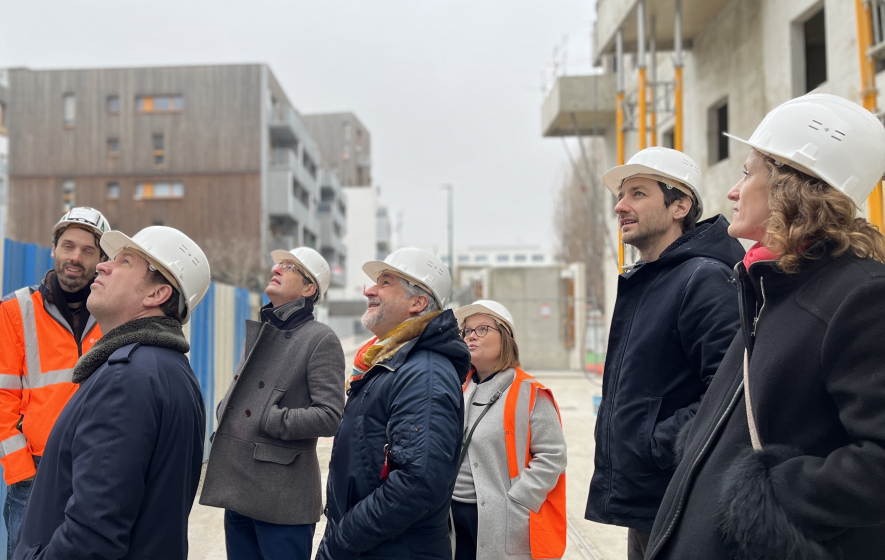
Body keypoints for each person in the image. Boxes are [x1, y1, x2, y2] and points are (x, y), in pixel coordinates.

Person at [646, 94, 885, 559]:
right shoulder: (770, 287)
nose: (734, 191)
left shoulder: (861, 296)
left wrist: (773, 498)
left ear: (790, 186)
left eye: (747, 172)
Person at [12, 225, 210, 560]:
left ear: (156, 294)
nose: (103, 266)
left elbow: (91, 539)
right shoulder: (169, 370)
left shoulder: (127, 378)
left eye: (125, 262)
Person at [585, 147, 744, 559]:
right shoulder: (649, 281)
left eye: (638, 193)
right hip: (652, 500)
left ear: (680, 205)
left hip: (681, 496)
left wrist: (658, 443)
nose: (620, 206)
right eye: (621, 196)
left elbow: (733, 389)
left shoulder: (703, 279)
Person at [317, 247, 471, 560]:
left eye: (385, 282)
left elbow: (418, 483)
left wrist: (342, 540)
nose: (369, 290)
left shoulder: (424, 373)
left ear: (418, 303)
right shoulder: (392, 365)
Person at [0, 207, 110, 559]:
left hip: (97, 468)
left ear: (102, 259)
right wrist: (21, 471)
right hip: (34, 473)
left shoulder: (114, 313)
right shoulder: (16, 309)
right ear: (53, 249)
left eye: (88, 251)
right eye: (68, 246)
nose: (75, 257)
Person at [201, 248, 345, 560]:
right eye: (279, 263)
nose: (277, 268)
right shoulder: (263, 330)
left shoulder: (321, 339)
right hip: (238, 488)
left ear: (309, 289)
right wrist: (226, 409)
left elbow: (330, 415)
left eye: (290, 266)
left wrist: (270, 419)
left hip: (282, 498)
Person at [451, 300, 566, 560]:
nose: (471, 336)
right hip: (453, 519)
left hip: (501, 522)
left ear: (505, 337)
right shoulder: (460, 388)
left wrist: (517, 500)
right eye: (467, 331)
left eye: (482, 329)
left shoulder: (530, 392)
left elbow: (553, 456)